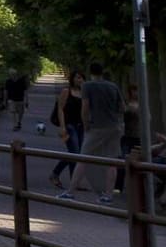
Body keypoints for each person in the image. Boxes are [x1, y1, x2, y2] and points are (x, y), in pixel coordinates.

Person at [74, 62, 125, 203]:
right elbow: (122, 107)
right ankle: (108, 195)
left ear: (90, 72)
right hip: (114, 127)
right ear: (103, 72)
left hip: (96, 126)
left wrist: (85, 125)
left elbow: (85, 108)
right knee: (112, 161)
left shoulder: (87, 86)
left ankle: (70, 190)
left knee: (83, 157)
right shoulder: (113, 86)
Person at [49, 72, 84, 191]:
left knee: (76, 154)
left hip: (81, 126)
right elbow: (60, 109)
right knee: (74, 152)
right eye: (78, 77)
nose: (80, 80)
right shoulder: (66, 91)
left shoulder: (84, 93)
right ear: (72, 79)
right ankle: (67, 178)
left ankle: (61, 176)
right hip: (69, 125)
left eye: (82, 78)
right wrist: (62, 126)